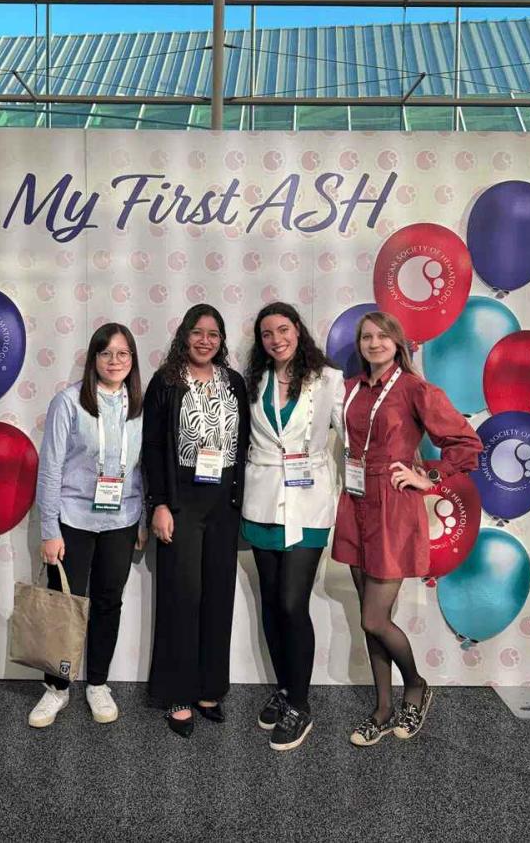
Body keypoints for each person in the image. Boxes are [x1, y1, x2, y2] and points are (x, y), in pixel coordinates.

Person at [332, 310, 483, 747]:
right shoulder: (350, 390)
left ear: (398, 343)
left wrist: (428, 477)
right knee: (372, 621)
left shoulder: (415, 389)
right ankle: (382, 709)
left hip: (393, 508)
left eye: (383, 336)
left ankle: (415, 685)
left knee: (373, 616)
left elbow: (467, 443)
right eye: (366, 337)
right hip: (355, 501)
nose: (374, 343)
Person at [30, 322, 146, 728]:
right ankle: (56, 689)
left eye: (123, 354)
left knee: (108, 602)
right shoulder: (68, 403)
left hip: (122, 519)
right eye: (106, 353)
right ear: (93, 359)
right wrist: (50, 529)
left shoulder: (140, 406)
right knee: (66, 604)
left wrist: (143, 520)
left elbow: (144, 468)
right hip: (73, 518)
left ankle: (97, 683)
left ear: (132, 361)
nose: (115, 361)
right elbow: (51, 469)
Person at [241, 302, 345, 751]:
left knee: (291, 603)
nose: (276, 339)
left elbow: (355, 430)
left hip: (309, 504)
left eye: (283, 329)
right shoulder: (252, 382)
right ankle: (285, 691)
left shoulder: (329, 380)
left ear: (298, 331)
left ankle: (300, 705)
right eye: (267, 334)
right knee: (270, 602)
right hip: (262, 501)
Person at [143, 303, 249, 738]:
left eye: (214, 333)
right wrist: (159, 504)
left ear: (221, 340)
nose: (205, 340)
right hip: (181, 499)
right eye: (198, 332)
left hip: (223, 501)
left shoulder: (235, 382)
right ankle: (178, 693)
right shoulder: (165, 381)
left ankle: (209, 688)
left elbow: (244, 445)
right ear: (184, 335)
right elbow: (151, 447)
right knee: (180, 597)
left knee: (218, 596)